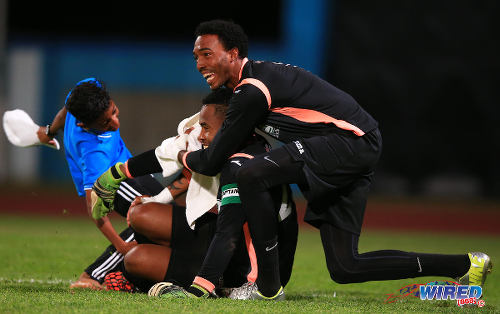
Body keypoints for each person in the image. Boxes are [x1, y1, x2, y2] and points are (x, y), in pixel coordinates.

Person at [91, 20, 492, 300]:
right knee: (345, 267)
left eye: (208, 54)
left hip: (348, 141)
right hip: (351, 148)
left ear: (234, 54)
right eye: (196, 56)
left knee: (249, 174)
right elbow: (188, 144)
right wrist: (122, 171)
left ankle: (266, 286)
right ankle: (465, 266)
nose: (200, 63)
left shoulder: (250, 91)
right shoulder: (238, 95)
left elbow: (210, 161)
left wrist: (135, 169)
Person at [145, 88, 298, 299]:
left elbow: (228, 235)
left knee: (141, 255)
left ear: (229, 126)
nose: (201, 135)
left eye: (205, 128)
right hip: (271, 272)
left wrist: (197, 292)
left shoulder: (237, 166)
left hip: (252, 280)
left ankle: (220, 285)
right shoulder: (258, 146)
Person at [37, 78, 173, 289]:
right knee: (155, 224)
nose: (115, 123)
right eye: (105, 123)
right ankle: (92, 276)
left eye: (114, 112)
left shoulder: (88, 90)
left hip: (131, 171)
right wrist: (121, 246)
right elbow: (94, 208)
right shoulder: (94, 154)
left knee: (172, 216)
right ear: (84, 124)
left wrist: (49, 132)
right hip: (116, 186)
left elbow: (65, 112)